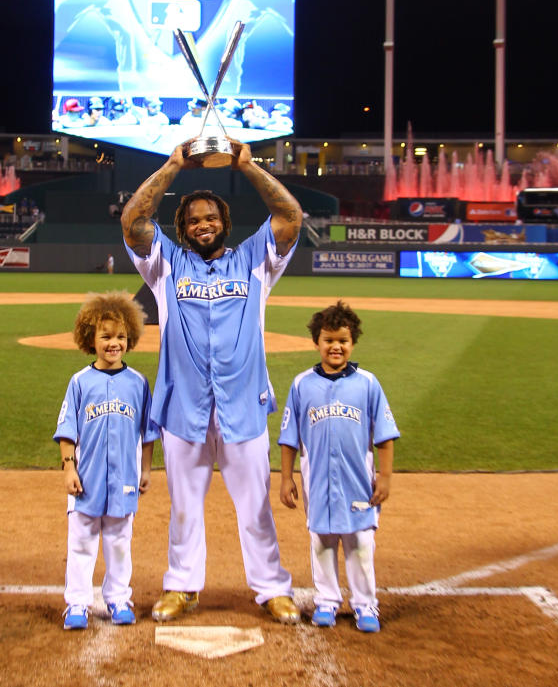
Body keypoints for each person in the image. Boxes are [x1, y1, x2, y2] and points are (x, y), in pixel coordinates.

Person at [121, 141, 302, 625]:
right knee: (184, 508)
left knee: (255, 508)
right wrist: (174, 164)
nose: (204, 224)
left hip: (242, 404)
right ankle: (182, 588)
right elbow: (134, 223)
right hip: (184, 407)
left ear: (225, 222)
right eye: (194, 219)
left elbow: (290, 217)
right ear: (182, 229)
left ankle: (271, 588)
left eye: (212, 217)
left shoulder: (256, 261)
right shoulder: (165, 267)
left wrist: (247, 166)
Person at [278, 301, 399, 631]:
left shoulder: (368, 383)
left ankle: (365, 605)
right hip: (317, 481)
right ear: (317, 341)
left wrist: (385, 478)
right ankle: (327, 601)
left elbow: (385, 436)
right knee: (322, 542)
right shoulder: (302, 384)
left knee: (360, 543)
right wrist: (286, 478)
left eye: (343, 340)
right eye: (329, 340)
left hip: (358, 481)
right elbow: (290, 438)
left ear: (353, 343)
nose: (336, 347)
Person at [53, 291, 158, 631]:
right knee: (82, 543)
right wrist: (69, 467)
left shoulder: (138, 383)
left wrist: (145, 469)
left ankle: (118, 598)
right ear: (91, 339)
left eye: (121, 337)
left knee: (119, 542)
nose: (114, 343)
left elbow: (147, 433)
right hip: (87, 479)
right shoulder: (80, 382)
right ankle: (77, 604)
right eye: (106, 336)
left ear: (130, 339)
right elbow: (67, 430)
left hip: (124, 478)